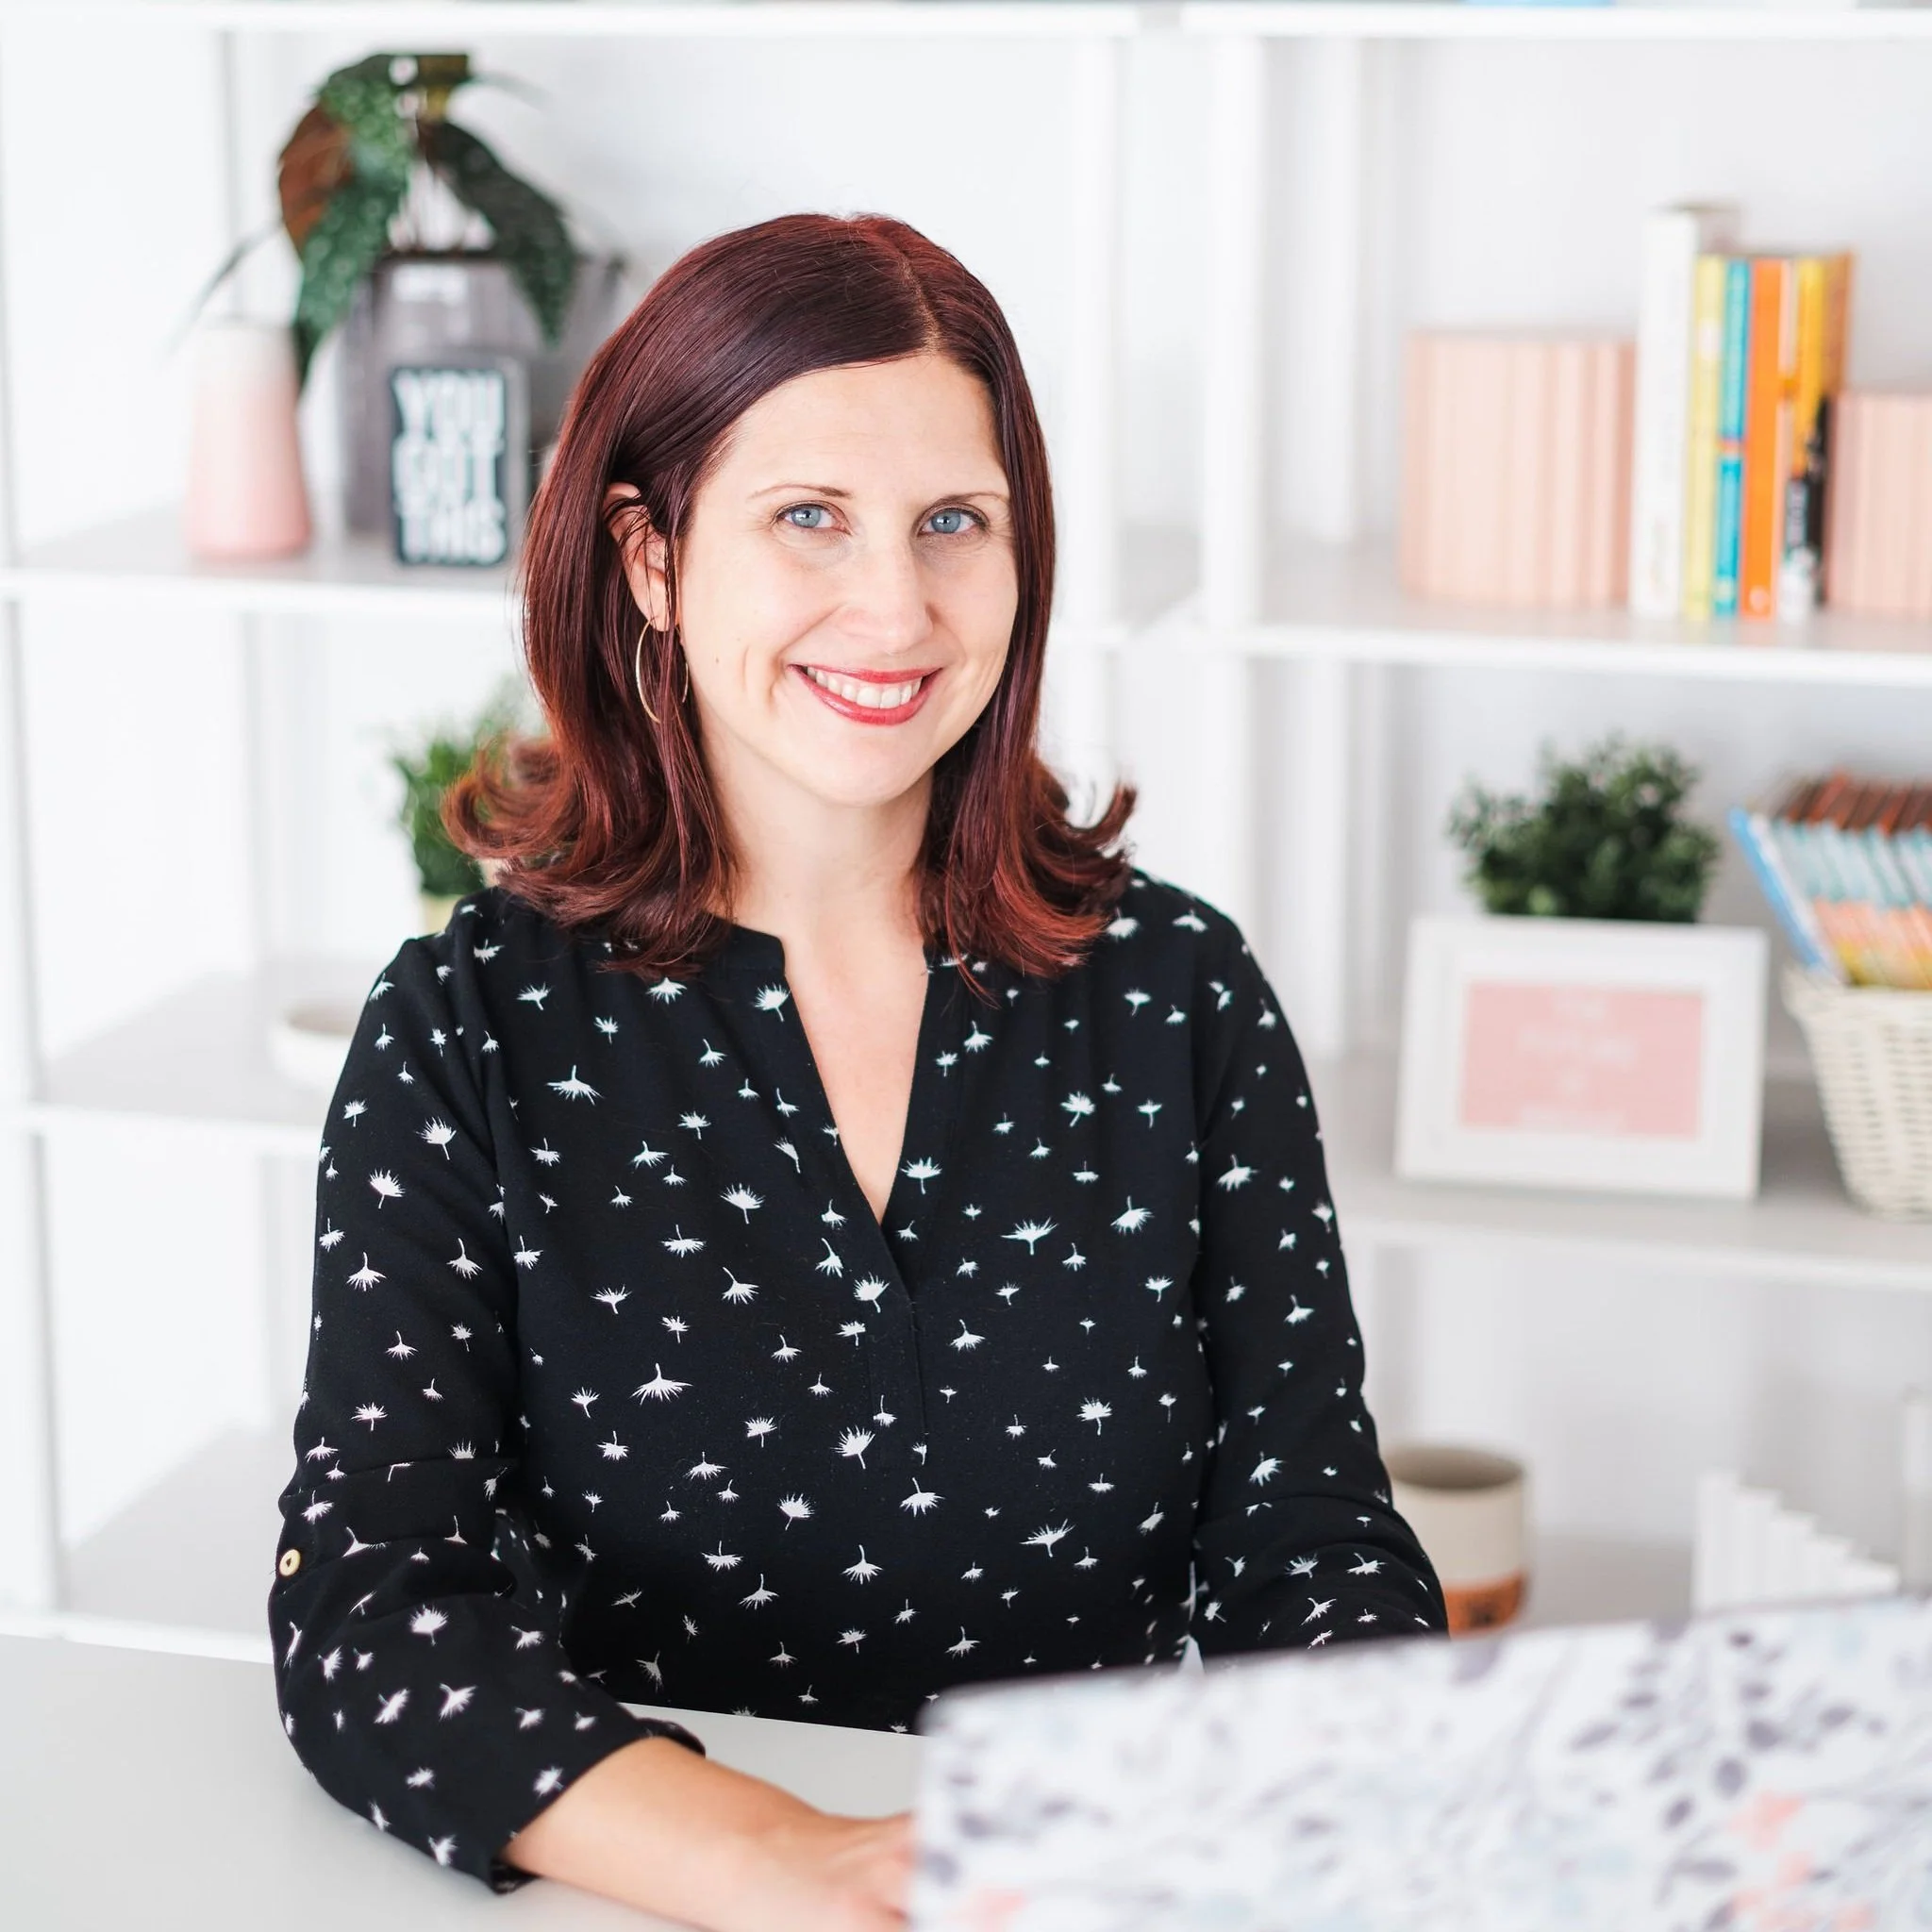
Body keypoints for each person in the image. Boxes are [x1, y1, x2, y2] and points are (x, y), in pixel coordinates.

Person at [269, 211, 1448, 1931]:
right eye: (808, 516)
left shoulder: (1180, 997)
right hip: (645, 1897)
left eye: (952, 523)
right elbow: (370, 1607)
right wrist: (781, 1860)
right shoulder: (467, 1030)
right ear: (653, 556)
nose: (894, 606)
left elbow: (1310, 1534)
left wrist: (1384, 1792)